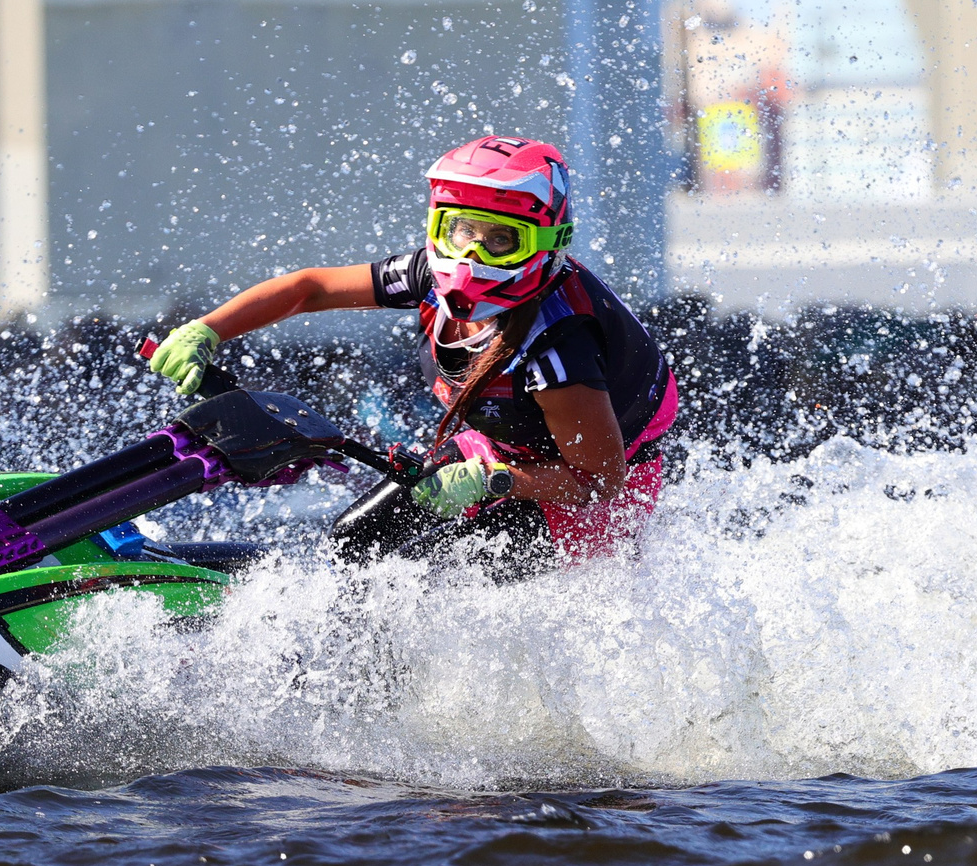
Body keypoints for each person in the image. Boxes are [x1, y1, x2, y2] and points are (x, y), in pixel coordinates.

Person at [145, 136, 679, 561]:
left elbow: (601, 483)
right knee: (352, 545)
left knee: (432, 586)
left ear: (546, 246)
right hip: (502, 454)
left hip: (581, 498)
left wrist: (495, 480)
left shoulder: (559, 355)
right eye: (460, 231)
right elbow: (310, 289)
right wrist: (208, 330)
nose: (469, 256)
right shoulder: (429, 273)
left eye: (500, 240)